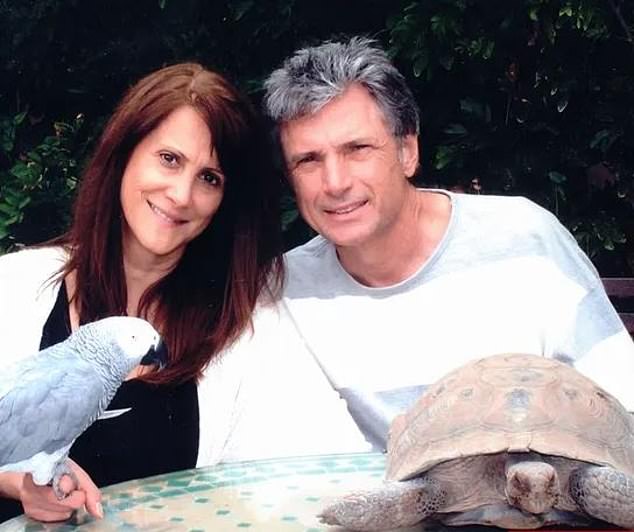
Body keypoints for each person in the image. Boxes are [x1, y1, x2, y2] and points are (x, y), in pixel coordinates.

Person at [215, 36, 634, 457]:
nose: (335, 183)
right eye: (309, 160)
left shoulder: (523, 240)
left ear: (407, 152)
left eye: (357, 149)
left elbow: (621, 405)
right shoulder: (284, 292)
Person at [0, 62, 284, 523]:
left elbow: (275, 486)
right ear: (124, 155)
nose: (181, 194)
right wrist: (22, 483)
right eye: (169, 159)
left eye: (209, 178)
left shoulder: (249, 330)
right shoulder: (13, 287)